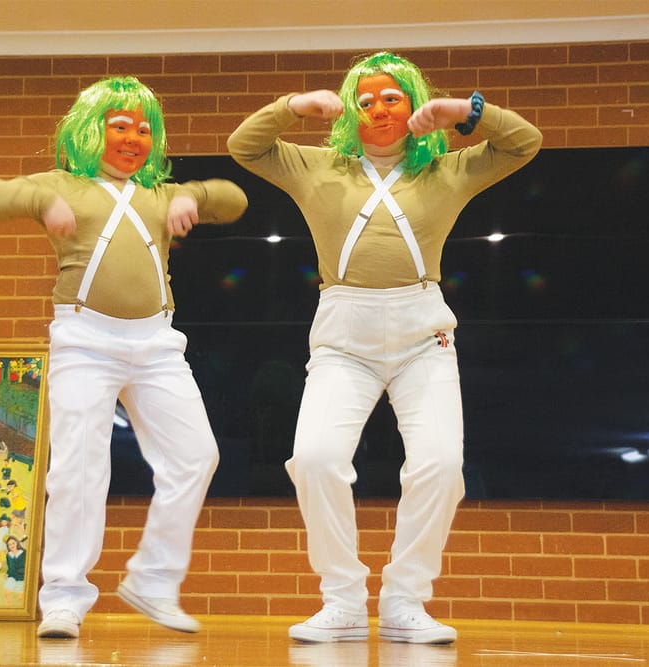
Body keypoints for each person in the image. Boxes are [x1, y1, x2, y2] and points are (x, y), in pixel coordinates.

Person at [228, 51, 542, 644]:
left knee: (443, 466)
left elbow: (524, 143)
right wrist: (293, 106)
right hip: (343, 333)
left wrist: (465, 112)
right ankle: (343, 601)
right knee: (315, 459)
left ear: (413, 102)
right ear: (350, 110)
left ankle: (405, 601)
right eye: (364, 99)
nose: (377, 108)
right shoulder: (319, 166)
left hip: (424, 332)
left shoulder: (446, 170)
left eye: (391, 97)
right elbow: (245, 146)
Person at [0, 75, 248, 639]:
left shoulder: (161, 193)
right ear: (91, 132)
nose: (134, 137)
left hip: (158, 344)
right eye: (120, 125)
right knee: (77, 468)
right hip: (84, 342)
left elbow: (235, 198)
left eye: (145, 129)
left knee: (197, 456)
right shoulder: (64, 184)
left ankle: (154, 581)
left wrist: (195, 195)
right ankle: (65, 598)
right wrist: (42, 199)